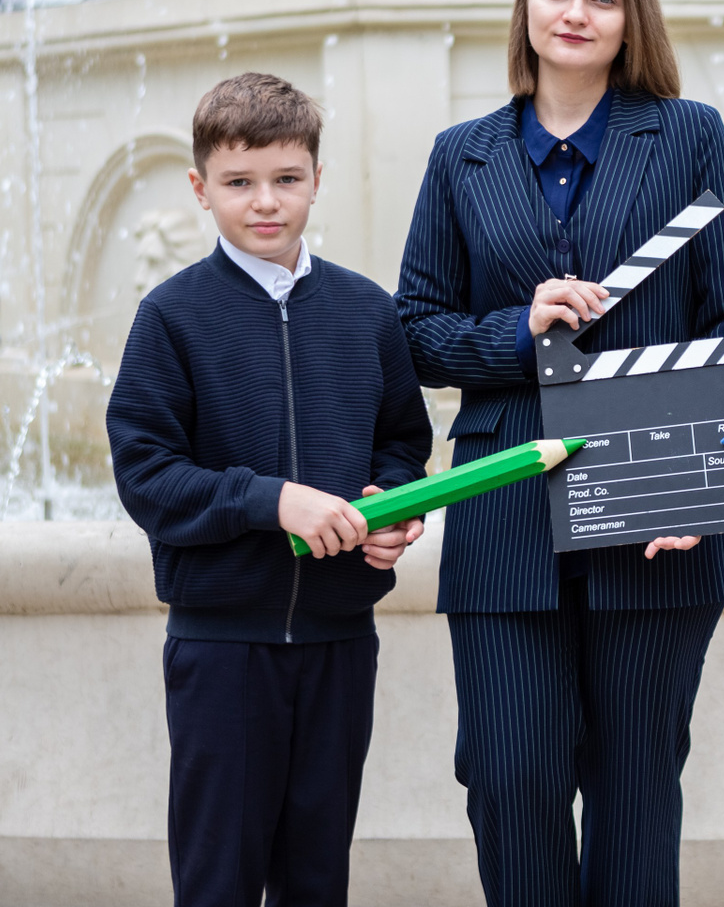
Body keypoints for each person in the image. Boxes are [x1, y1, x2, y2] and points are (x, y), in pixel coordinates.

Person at [396, 0, 724, 907]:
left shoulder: (690, 136)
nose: (576, 12)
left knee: (635, 790)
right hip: (504, 505)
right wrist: (516, 330)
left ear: (631, 15)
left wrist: (705, 486)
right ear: (526, 2)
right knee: (507, 778)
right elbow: (417, 331)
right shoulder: (460, 156)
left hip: (659, 509)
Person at [106, 72, 434, 907]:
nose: (265, 202)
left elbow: (403, 442)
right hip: (222, 649)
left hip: (340, 641)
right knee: (218, 881)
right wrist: (272, 500)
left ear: (317, 179)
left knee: (318, 879)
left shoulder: (368, 312)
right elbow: (146, 475)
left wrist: (392, 509)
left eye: (287, 179)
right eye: (239, 182)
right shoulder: (171, 316)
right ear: (200, 189)